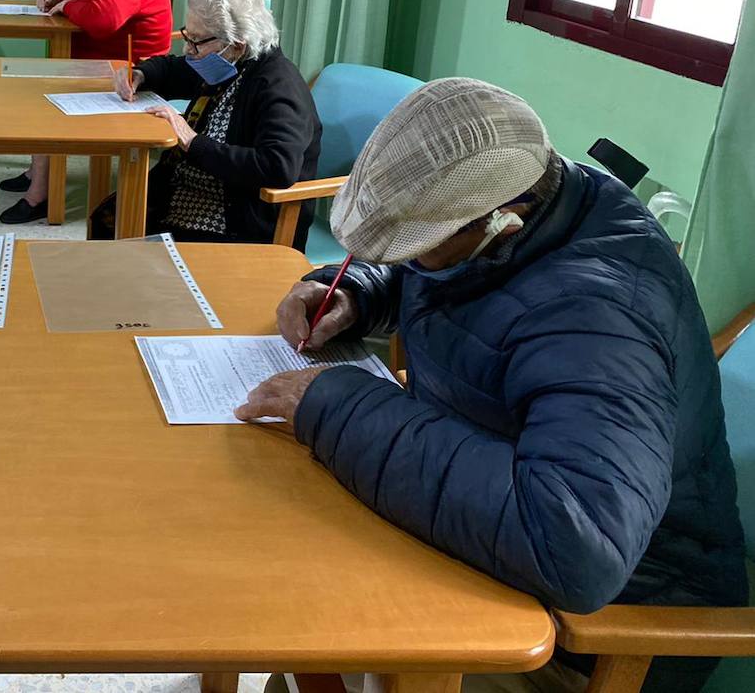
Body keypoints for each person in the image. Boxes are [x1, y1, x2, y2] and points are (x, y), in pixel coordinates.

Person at [234, 78, 747, 693]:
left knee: (326, 619)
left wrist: (340, 408)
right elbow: (454, 279)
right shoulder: (541, 205)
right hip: (498, 537)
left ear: (504, 220)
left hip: (596, 639)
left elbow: (574, 544)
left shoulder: (602, 320)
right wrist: (357, 294)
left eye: (416, 249)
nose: (410, 260)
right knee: (300, 605)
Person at [96, 0, 321, 245]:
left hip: (236, 218)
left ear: (236, 45)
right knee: (107, 221)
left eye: (196, 41)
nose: (188, 49)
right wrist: (141, 74)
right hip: (189, 190)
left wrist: (192, 142)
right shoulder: (226, 64)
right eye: (187, 35)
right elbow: (174, 68)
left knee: (134, 245)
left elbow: (278, 167)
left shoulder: (278, 86)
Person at [0, 0, 174, 223]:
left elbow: (101, 19)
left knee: (44, 101)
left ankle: (40, 195)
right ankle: (37, 172)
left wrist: (66, 6)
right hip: (107, 66)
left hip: (131, 78)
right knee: (37, 83)